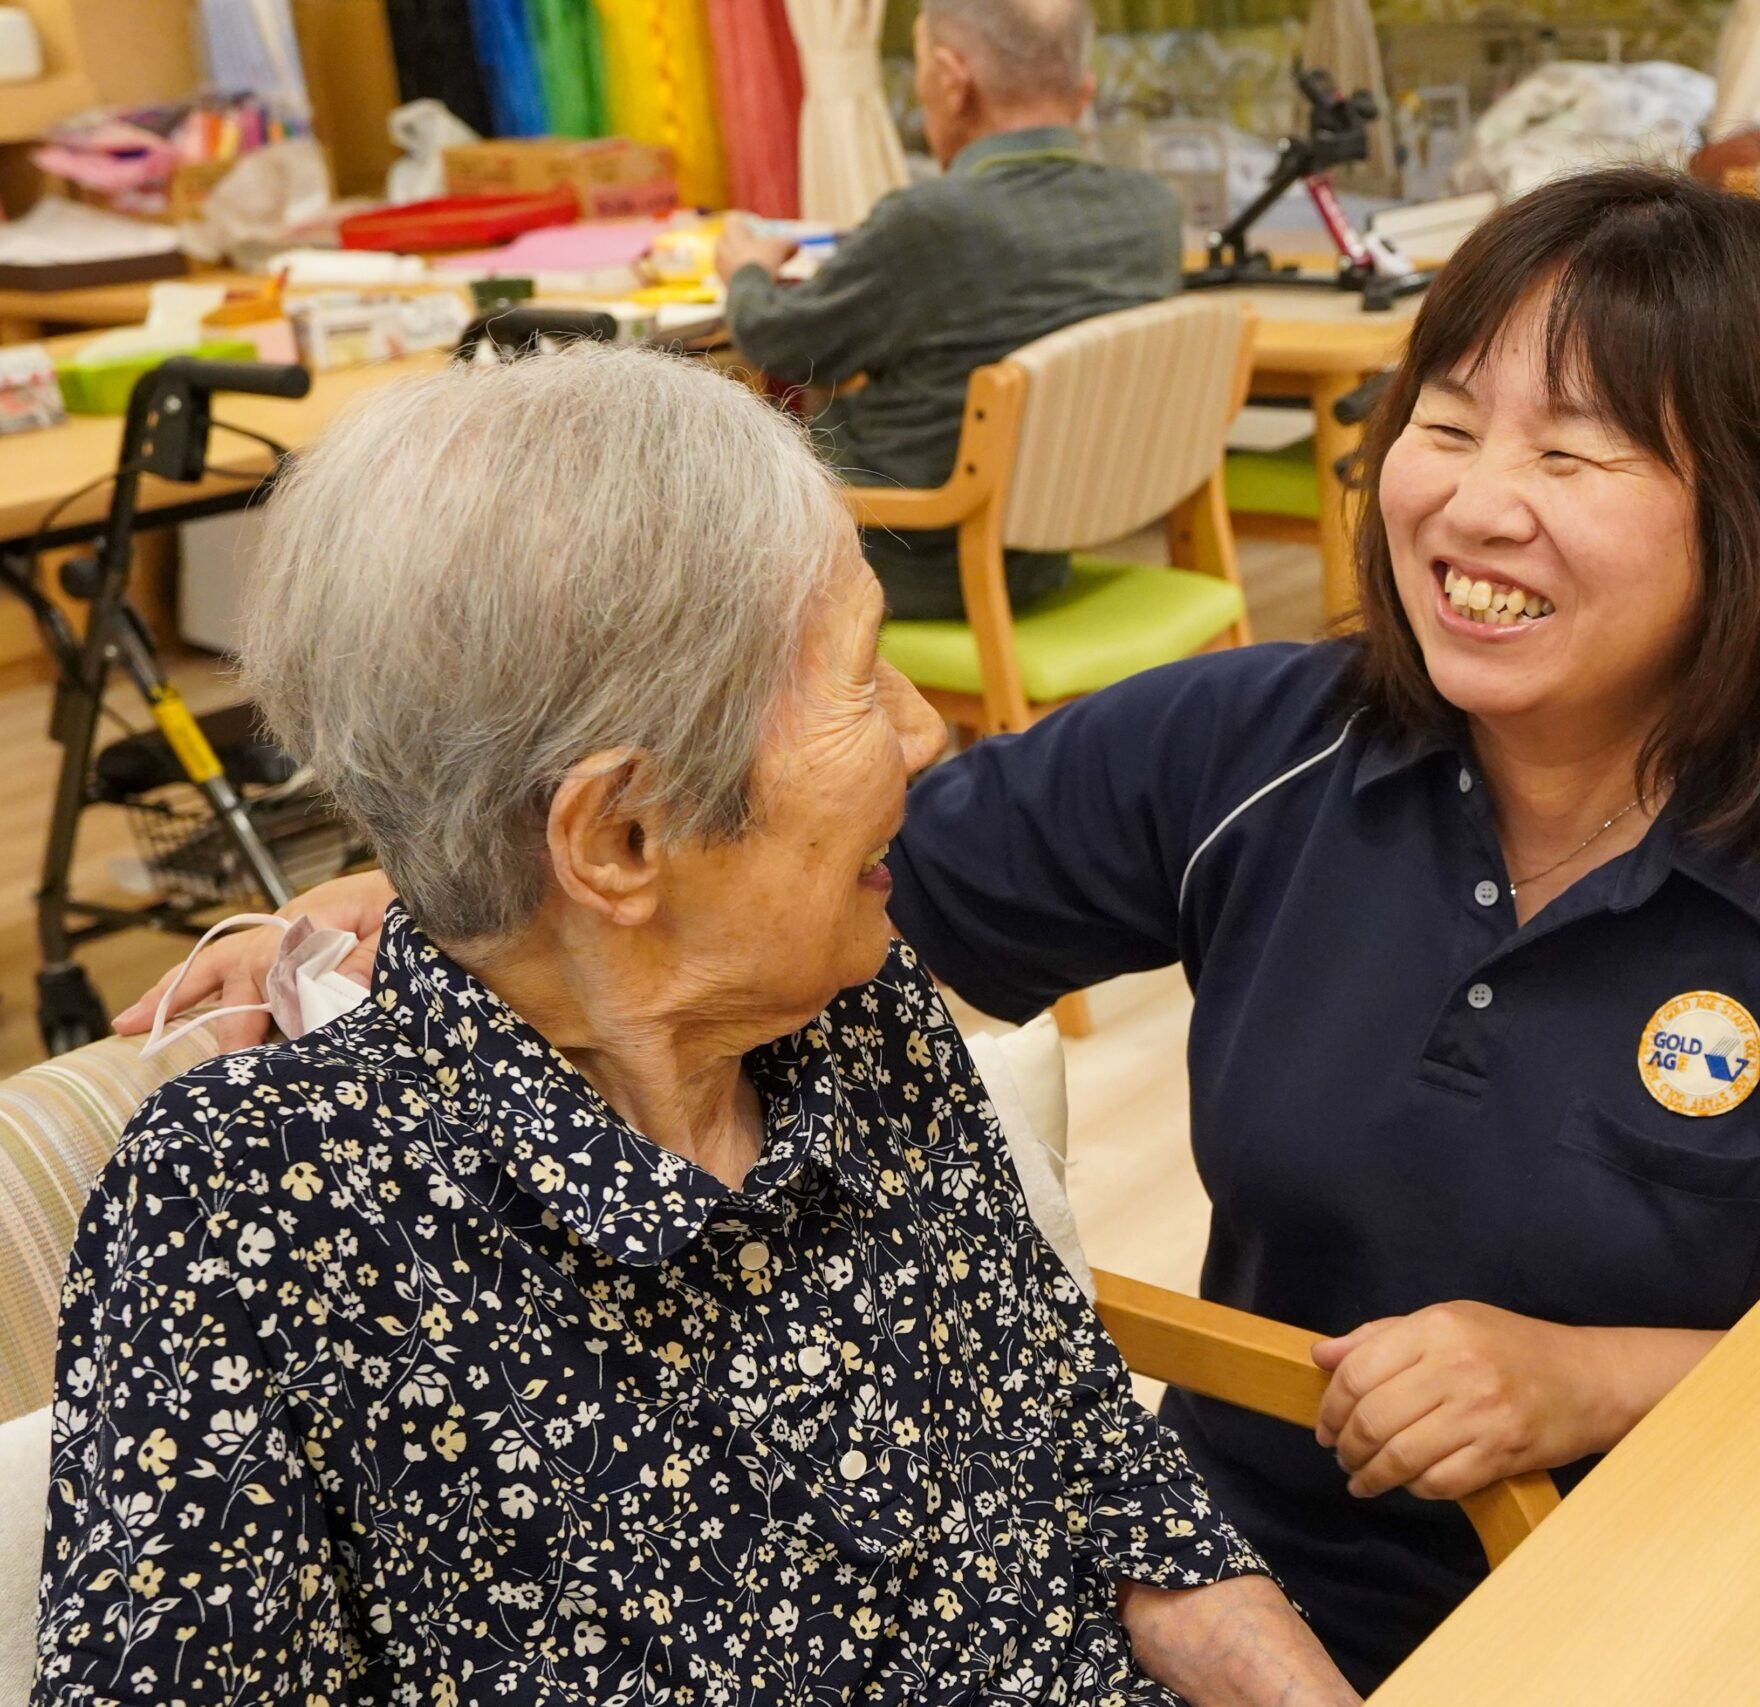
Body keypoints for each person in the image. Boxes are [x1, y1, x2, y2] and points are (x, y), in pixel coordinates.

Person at [127, 168, 1760, 1691]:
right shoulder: (1250, 754)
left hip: (1698, 1597)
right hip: (1284, 1567)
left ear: (1755, 513)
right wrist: (426, 869)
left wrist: (1588, 1375)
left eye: (1580, 454)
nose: (1478, 501)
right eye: (1449, 423)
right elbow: (720, 872)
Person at [51, 346, 1352, 1707]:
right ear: (619, 837)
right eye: (861, 678)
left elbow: (1097, 1468)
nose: (924, 732)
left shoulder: (848, 1007)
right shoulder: (254, 1202)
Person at [715, 0, 1179, 621]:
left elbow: (780, 344)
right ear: (1083, 90)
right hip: (1044, 553)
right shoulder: (1151, 210)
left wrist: (745, 268)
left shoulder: (930, 223)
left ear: (951, 79)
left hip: (905, 557)